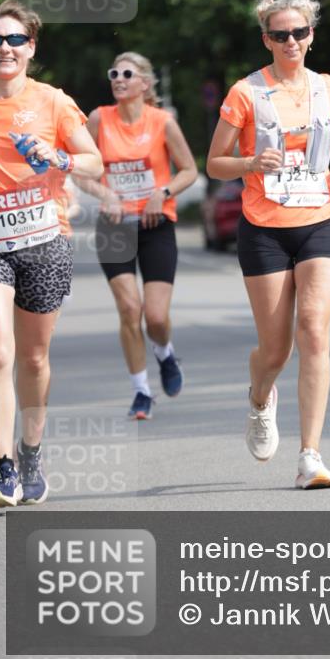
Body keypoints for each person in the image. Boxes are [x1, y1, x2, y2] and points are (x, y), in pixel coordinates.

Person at [207, 0, 330, 489]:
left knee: (314, 330)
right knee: (275, 351)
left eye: (298, 33)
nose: (290, 41)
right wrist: (251, 163)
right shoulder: (246, 92)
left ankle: (310, 457)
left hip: (321, 218)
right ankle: (260, 397)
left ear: (311, 36)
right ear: (266, 40)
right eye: (280, 35)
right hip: (265, 227)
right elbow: (214, 162)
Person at [0, 0, 103, 507]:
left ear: (31, 47)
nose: (4, 48)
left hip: (45, 238)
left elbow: (95, 164)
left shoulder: (53, 102)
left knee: (33, 357)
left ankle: (30, 450)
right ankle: (3, 469)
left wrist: (59, 157)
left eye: (14, 40)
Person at [75, 53, 197, 420]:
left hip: (155, 224)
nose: (119, 79)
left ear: (145, 83)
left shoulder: (163, 122)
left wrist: (164, 193)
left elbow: (189, 170)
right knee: (130, 310)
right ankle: (141, 391)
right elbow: (81, 172)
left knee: (156, 317)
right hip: (114, 226)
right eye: (114, 73)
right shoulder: (99, 118)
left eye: (127, 73)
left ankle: (165, 353)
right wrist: (105, 194)